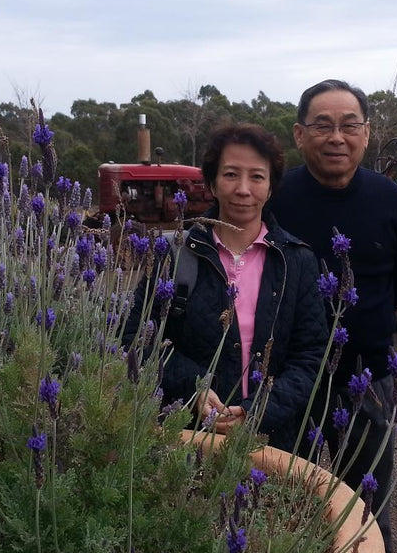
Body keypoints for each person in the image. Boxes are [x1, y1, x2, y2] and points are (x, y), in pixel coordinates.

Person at [268, 79, 397, 553]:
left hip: (368, 381)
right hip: (290, 382)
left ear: (366, 133)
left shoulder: (394, 201)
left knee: (368, 516)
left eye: (349, 125)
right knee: (284, 510)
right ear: (299, 134)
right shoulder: (276, 196)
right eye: (323, 125)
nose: (337, 137)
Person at [123, 122, 327, 452]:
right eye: (231, 174)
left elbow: (311, 357)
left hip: (273, 443)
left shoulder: (296, 262)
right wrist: (196, 387)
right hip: (187, 439)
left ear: (271, 187)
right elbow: (136, 339)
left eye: (257, 177)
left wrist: (259, 410)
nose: (243, 189)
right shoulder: (175, 255)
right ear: (213, 183)